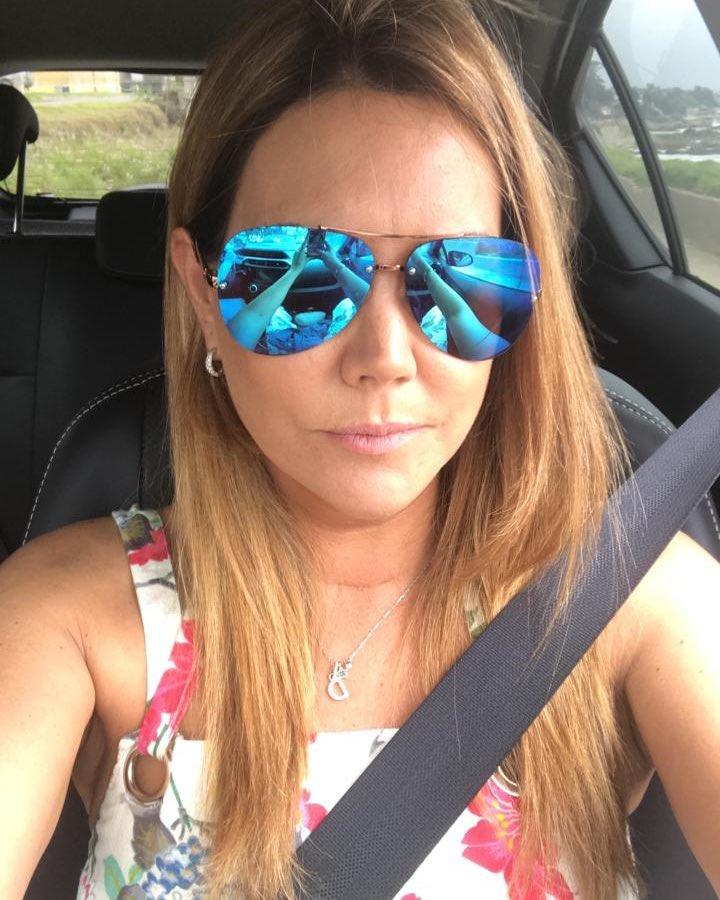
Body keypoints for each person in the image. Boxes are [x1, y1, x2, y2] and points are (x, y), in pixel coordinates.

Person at [2, 0, 719, 898]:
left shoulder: (626, 595)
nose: (384, 357)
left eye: (459, 274)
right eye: (301, 277)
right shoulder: (66, 619)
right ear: (203, 296)